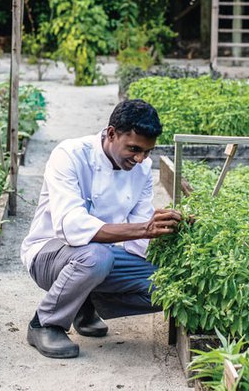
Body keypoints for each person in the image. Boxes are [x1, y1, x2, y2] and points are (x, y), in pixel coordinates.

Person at [20, 99, 182, 359]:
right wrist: (144, 229)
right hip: (49, 254)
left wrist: (172, 231)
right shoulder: (70, 155)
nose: (140, 158)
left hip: (96, 261)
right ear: (110, 133)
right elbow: (71, 226)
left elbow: (140, 238)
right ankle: (45, 323)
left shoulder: (141, 170)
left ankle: (84, 304)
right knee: (97, 256)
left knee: (171, 283)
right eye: (134, 148)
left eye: (147, 152)